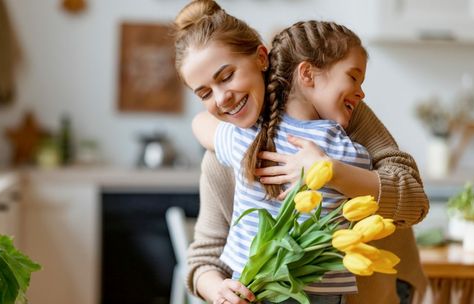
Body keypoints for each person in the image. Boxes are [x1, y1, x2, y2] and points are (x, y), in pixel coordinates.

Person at [173, 1, 429, 304]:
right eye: (204, 93)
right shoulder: (226, 147)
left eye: (227, 76)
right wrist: (217, 289)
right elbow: (204, 257)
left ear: (261, 58)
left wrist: (328, 171)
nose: (222, 98)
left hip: (373, 290)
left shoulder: (334, 112)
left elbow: (414, 201)